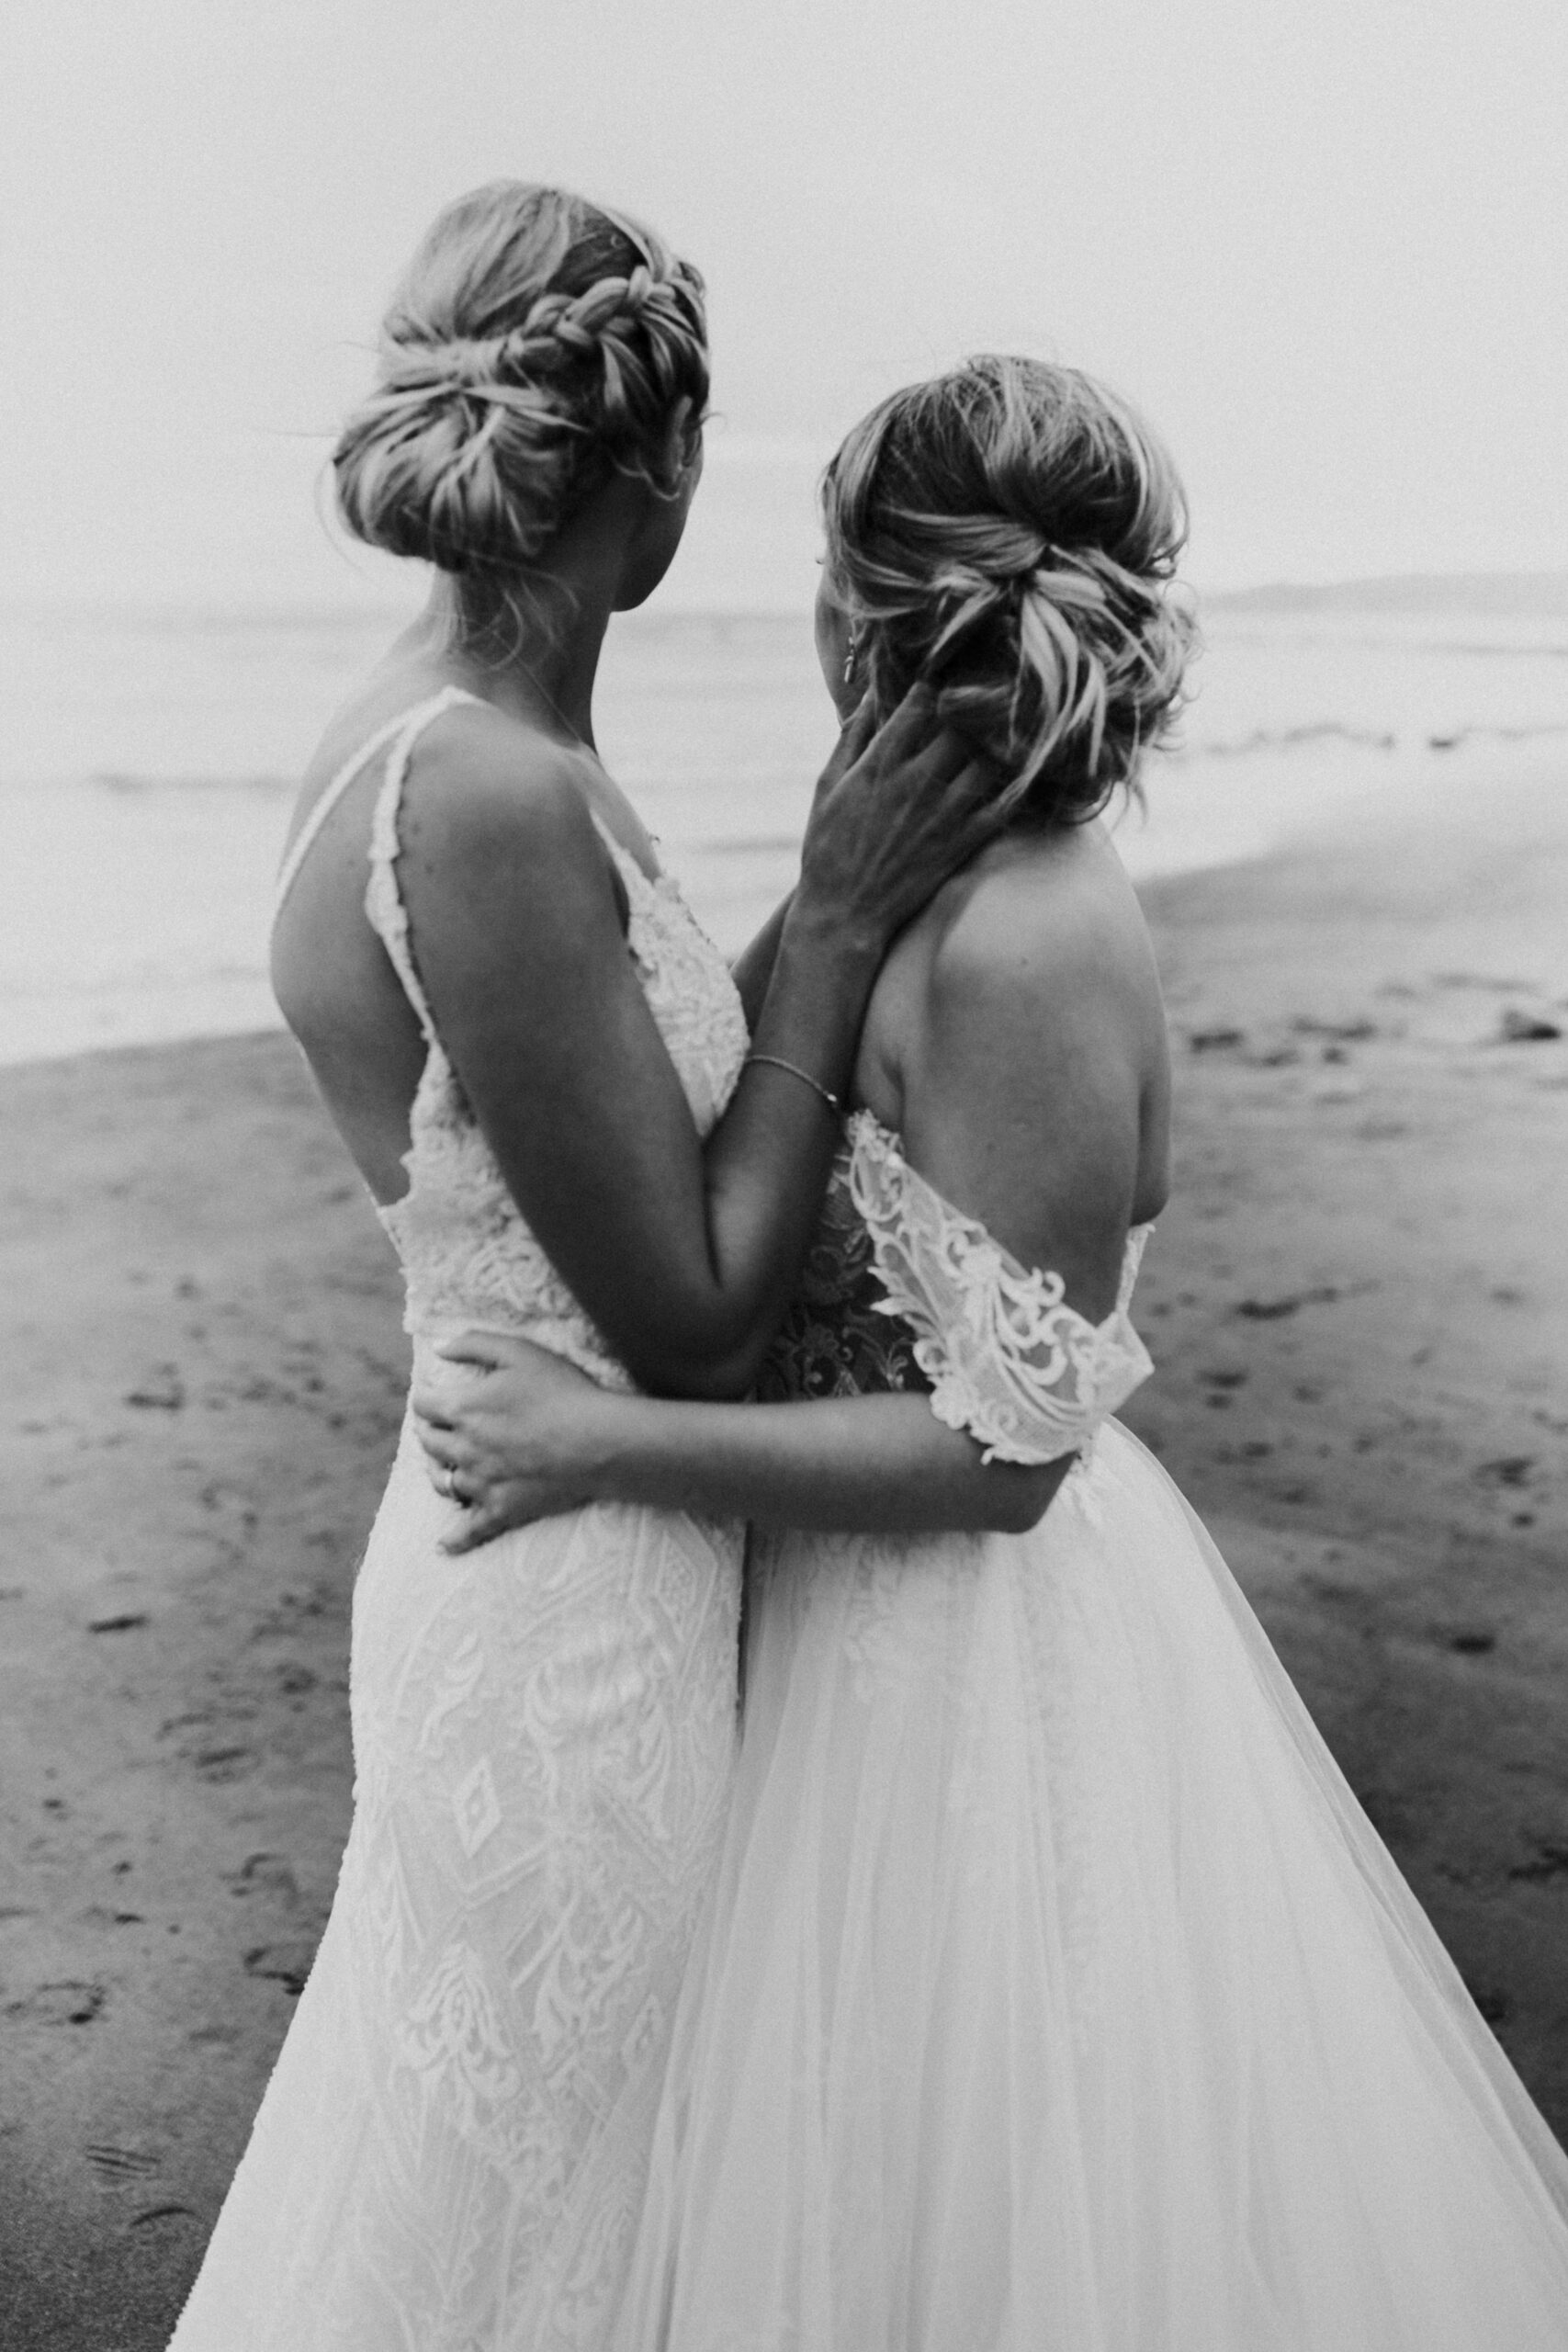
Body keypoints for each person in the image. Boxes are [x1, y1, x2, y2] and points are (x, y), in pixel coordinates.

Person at [416, 355, 1568, 2348]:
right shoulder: (906, 886)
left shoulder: (1032, 938)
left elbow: (1008, 1463)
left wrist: (599, 1441)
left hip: (953, 1674)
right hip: (831, 1627)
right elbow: (725, 1130)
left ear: (860, 601)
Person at [166, 183, 998, 2352]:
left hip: (534, 1552)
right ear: (661, 460)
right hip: (569, 1609)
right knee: (552, 2243)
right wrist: (827, 923)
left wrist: (817, 905)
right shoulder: (486, 791)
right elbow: (692, 1314)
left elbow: (609, 1122)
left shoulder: (447, 732)